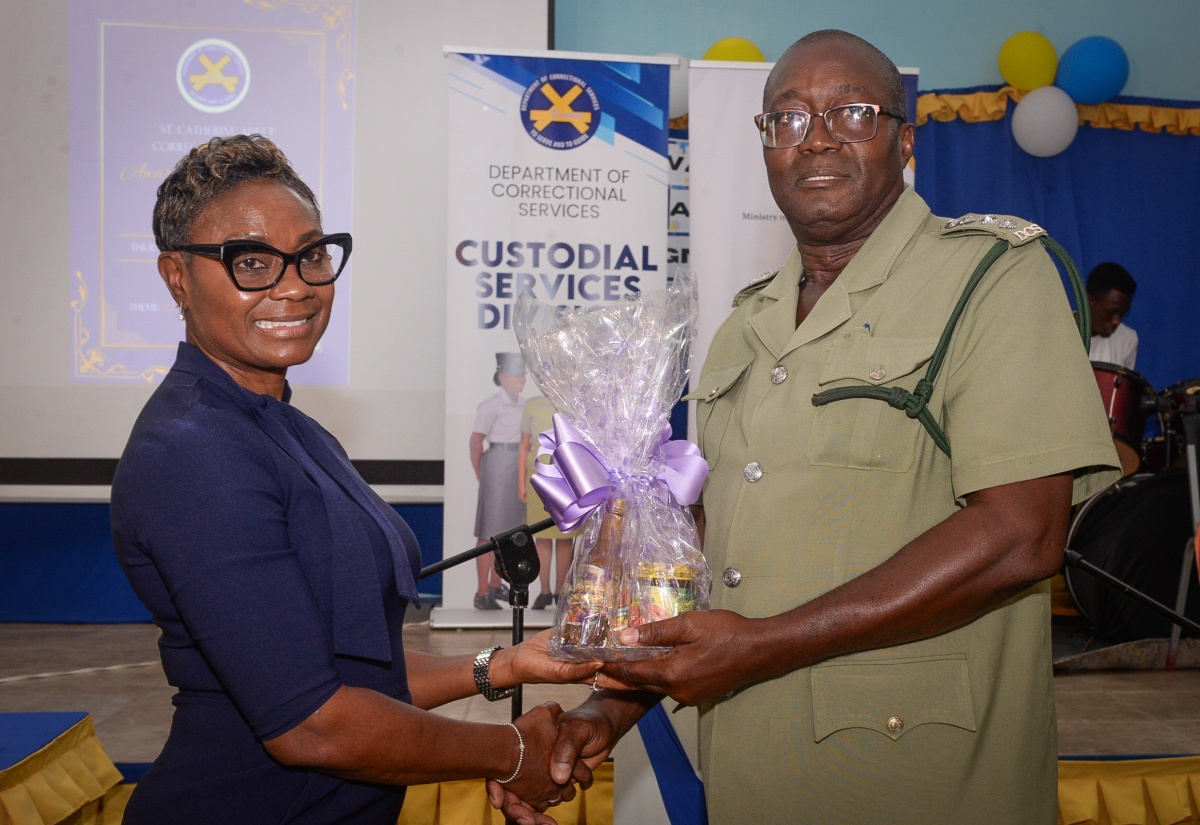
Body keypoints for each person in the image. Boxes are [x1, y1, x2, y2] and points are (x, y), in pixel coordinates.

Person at [541, 30, 1122, 825]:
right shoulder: (742, 327)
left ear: (905, 138)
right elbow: (718, 556)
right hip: (749, 778)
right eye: (786, 118)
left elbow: (1022, 534)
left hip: (915, 783)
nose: (814, 137)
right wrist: (609, 709)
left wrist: (763, 645)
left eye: (850, 112)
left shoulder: (992, 278)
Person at [111, 134, 599, 825]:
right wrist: (512, 751)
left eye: (311, 255)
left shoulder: (285, 425)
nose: (295, 285)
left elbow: (347, 661)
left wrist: (506, 663)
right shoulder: (192, 452)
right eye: (251, 262)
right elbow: (312, 721)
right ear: (176, 277)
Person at [471, 352, 528, 609]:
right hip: (496, 462)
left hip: (517, 465)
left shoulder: (523, 405)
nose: (521, 381)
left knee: (509, 530)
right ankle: (482, 591)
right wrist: (481, 474)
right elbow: (475, 441)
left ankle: (496, 585)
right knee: (488, 530)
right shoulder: (491, 405)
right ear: (503, 377)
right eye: (516, 376)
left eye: (523, 376)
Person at [518, 395, 579, 609]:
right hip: (537, 476)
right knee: (542, 537)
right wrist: (521, 484)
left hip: (566, 477)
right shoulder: (532, 404)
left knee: (564, 536)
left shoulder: (574, 400)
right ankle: (544, 592)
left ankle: (561, 591)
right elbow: (524, 445)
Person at [1086, 261, 1138, 369]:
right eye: (1112, 312)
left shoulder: (1128, 339)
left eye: (1122, 314)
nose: (1116, 321)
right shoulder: (1054, 332)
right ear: (1089, 301)